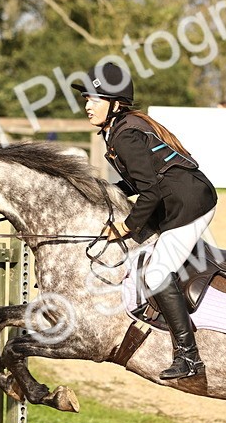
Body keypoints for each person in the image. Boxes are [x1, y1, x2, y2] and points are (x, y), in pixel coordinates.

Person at [74, 62, 218, 380]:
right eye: (85, 99)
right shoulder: (122, 128)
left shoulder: (125, 135)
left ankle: (189, 356)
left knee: (156, 273)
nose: (86, 106)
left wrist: (125, 227)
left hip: (189, 205)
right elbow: (141, 184)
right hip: (175, 199)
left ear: (114, 103)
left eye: (93, 99)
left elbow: (149, 193)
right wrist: (107, 191)